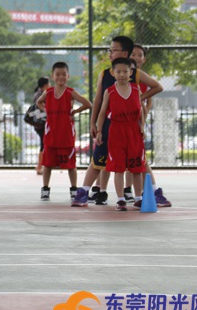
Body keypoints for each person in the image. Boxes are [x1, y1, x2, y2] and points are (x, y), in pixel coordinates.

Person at [71, 36, 162, 207]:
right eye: (110, 50)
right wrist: (94, 123)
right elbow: (98, 100)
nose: (110, 53)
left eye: (113, 49)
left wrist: (139, 98)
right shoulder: (105, 74)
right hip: (109, 126)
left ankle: (153, 193)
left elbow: (158, 87)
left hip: (131, 127)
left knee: (139, 163)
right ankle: (83, 192)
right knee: (98, 160)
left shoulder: (135, 75)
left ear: (125, 53)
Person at [94, 58, 145, 211]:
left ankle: (138, 198)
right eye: (118, 71)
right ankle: (121, 199)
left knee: (137, 167)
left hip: (133, 132)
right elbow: (102, 113)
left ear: (131, 72)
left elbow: (141, 109)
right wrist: (99, 131)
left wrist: (142, 125)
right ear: (113, 73)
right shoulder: (109, 91)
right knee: (118, 168)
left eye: (125, 71)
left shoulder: (136, 89)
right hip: (116, 131)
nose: (122, 74)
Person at [37, 63, 92, 201]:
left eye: (63, 74)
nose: (61, 77)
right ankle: (45, 189)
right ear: (53, 76)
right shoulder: (48, 92)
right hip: (51, 135)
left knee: (71, 165)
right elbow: (38, 102)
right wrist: (46, 110)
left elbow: (88, 104)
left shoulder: (70, 92)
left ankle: (74, 189)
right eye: (58, 74)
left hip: (66, 135)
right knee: (47, 164)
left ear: (68, 76)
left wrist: (75, 111)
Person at [129, 44, 172, 207]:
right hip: (119, 124)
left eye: (139, 55)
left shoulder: (141, 76)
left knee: (139, 161)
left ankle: (151, 193)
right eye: (133, 54)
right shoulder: (121, 75)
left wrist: (143, 112)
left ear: (144, 59)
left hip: (134, 123)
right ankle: (101, 190)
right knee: (119, 163)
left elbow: (149, 98)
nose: (136, 57)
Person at [31, 77, 50, 175]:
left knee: (44, 144)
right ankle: (39, 167)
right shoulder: (41, 95)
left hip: (40, 123)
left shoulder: (38, 93)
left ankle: (40, 165)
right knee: (43, 145)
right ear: (45, 85)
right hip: (41, 123)